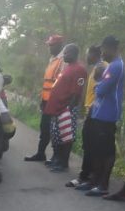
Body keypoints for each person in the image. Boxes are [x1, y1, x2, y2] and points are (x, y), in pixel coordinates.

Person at [85, 35, 125, 197]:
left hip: (108, 114)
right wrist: (99, 84)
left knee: (106, 151)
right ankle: (95, 180)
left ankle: (103, 184)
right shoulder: (112, 65)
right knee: (98, 148)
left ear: (112, 48)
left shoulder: (116, 66)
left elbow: (101, 89)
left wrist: (98, 86)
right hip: (100, 112)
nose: (102, 54)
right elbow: (101, 85)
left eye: (104, 50)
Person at [66, 45, 106, 188]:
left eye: (88, 54)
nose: (87, 57)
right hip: (91, 111)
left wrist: (94, 107)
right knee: (88, 145)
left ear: (94, 54)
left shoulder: (103, 67)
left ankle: (88, 178)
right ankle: (85, 176)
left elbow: (103, 91)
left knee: (92, 146)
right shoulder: (96, 68)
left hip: (97, 113)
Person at [44, 44, 87, 172]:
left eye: (67, 53)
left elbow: (76, 93)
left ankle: (63, 163)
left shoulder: (79, 69)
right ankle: (56, 159)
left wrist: (68, 109)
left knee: (66, 136)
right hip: (57, 108)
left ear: (74, 53)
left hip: (66, 109)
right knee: (56, 135)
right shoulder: (67, 68)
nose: (64, 55)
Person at [25, 34, 64, 162]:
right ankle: (41, 154)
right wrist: (43, 100)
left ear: (59, 45)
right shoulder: (52, 59)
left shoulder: (63, 60)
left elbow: (61, 83)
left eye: (51, 45)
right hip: (47, 100)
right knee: (44, 128)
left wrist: (56, 102)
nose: (49, 48)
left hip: (55, 102)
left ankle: (57, 158)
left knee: (55, 130)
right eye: (49, 45)